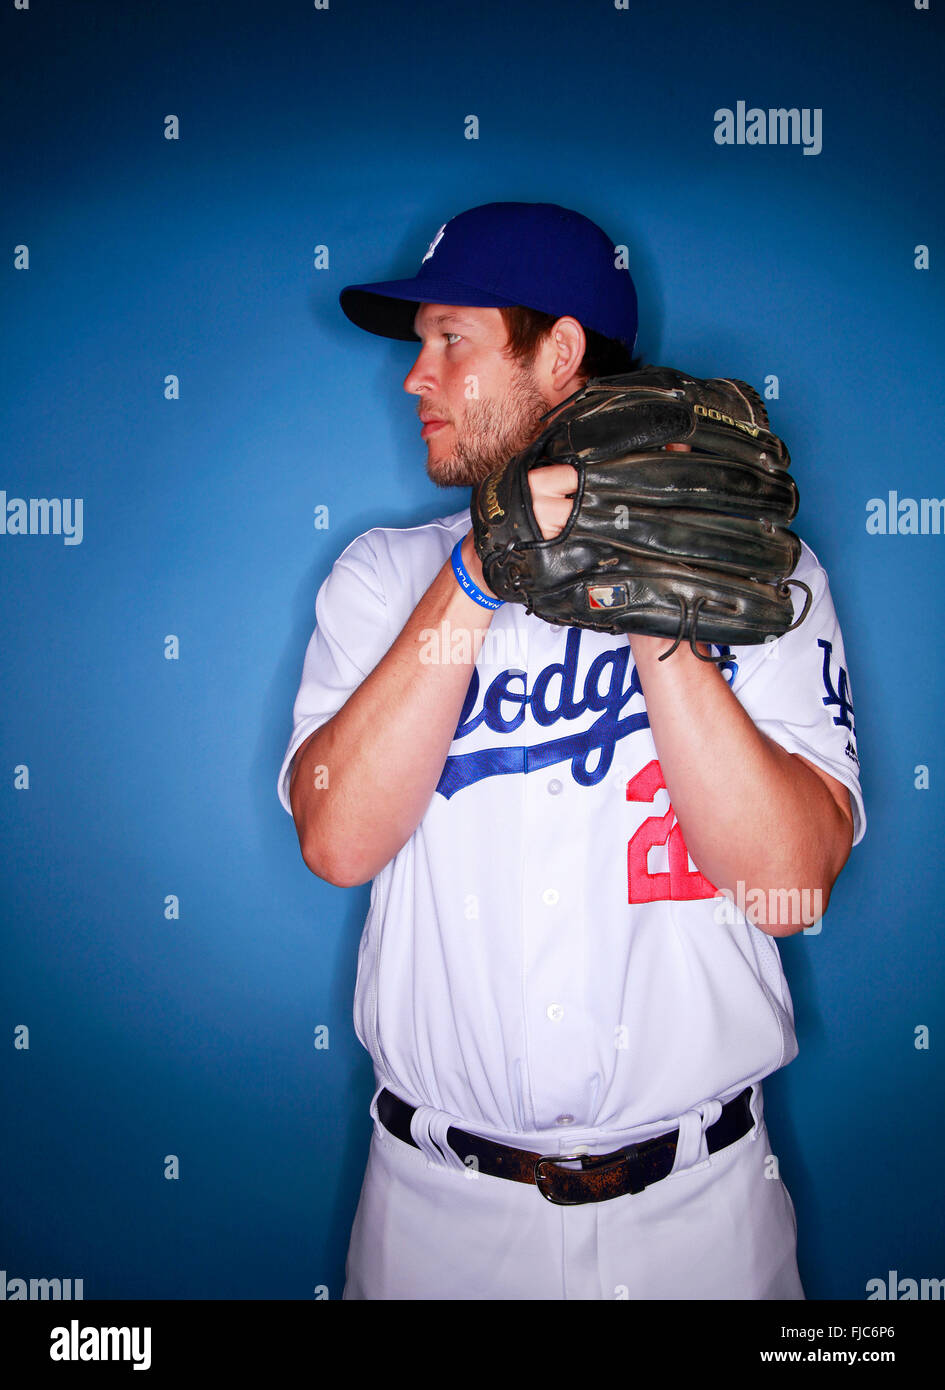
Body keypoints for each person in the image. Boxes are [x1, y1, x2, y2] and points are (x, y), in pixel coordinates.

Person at [277, 201, 864, 1300]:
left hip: (702, 1221)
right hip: (435, 1219)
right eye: (420, 346)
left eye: (451, 338)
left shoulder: (760, 575)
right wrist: (475, 576)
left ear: (558, 353)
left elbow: (789, 879)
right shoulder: (385, 576)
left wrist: (653, 597)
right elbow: (338, 841)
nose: (415, 377)